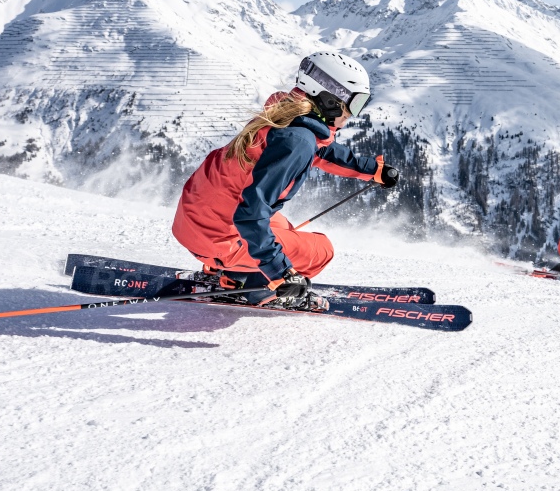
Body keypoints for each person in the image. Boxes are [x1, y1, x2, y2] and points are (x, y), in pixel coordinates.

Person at [171, 52, 399, 308]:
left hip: (193, 221)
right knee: (321, 250)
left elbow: (321, 150)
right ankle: (249, 285)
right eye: (355, 104)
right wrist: (279, 272)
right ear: (331, 99)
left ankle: (231, 270)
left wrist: (371, 170)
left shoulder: (285, 117)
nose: (353, 115)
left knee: (284, 228)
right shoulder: (297, 142)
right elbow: (251, 214)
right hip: (219, 239)